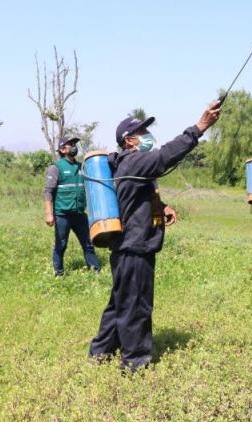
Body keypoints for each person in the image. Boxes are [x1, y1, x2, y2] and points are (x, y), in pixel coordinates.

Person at [88, 101, 222, 370]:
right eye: (142, 132)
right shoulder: (134, 161)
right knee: (136, 305)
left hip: (127, 246)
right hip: (135, 246)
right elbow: (165, 156)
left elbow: (135, 196)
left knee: (121, 301)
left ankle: (101, 352)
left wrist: (162, 206)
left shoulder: (128, 165)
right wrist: (199, 127)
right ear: (129, 140)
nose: (148, 135)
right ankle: (135, 362)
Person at [44, 136, 101, 276]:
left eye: (75, 144)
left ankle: (95, 271)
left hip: (79, 214)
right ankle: (59, 273)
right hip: (62, 214)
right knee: (61, 245)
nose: (74, 147)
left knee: (88, 243)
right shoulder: (56, 167)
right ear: (63, 149)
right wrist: (49, 214)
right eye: (71, 144)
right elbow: (48, 191)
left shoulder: (81, 167)